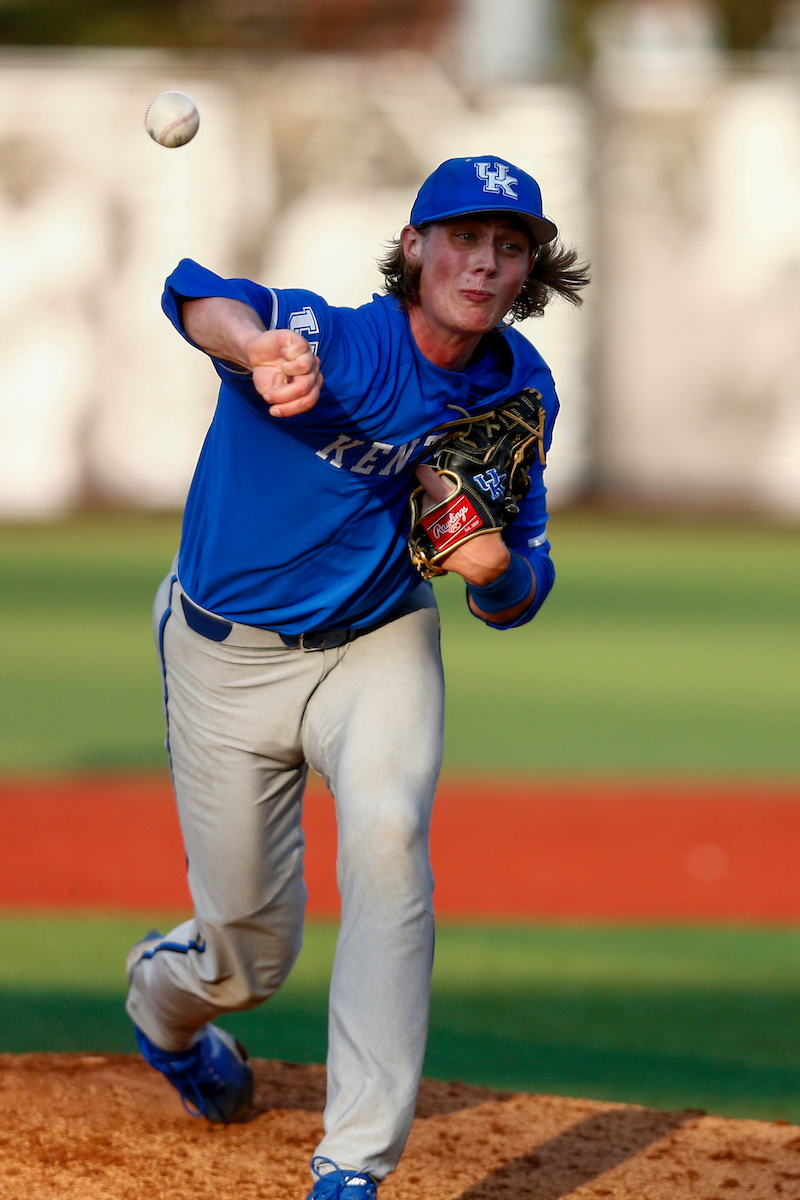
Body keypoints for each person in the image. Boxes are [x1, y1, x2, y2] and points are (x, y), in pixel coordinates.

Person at [125, 155, 589, 1199]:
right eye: (462, 237)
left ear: (528, 271)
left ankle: (351, 1166)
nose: (483, 261)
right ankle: (165, 1010)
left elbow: (518, 586)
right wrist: (255, 348)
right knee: (247, 957)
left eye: (507, 246)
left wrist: (496, 569)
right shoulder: (336, 338)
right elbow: (198, 292)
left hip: (377, 644)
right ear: (413, 247)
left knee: (387, 845)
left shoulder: (517, 391)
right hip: (224, 656)